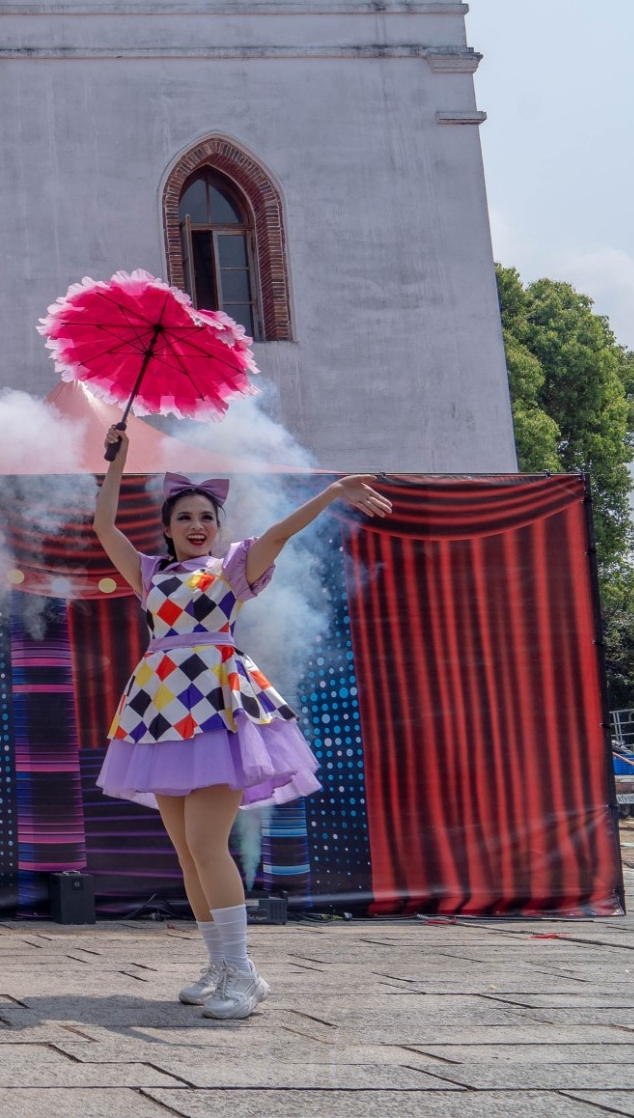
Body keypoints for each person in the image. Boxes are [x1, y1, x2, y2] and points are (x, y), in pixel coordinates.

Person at [92, 424, 388, 1020]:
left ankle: (244, 973)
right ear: (168, 528)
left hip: (219, 708)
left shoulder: (231, 569)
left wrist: (332, 491)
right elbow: (103, 528)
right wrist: (117, 464)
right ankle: (220, 965)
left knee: (205, 843)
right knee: (188, 851)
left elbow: (279, 532)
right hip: (160, 713)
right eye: (184, 518)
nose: (197, 525)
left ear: (218, 527)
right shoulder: (149, 574)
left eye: (206, 516)